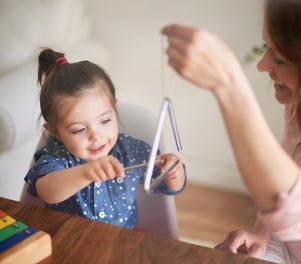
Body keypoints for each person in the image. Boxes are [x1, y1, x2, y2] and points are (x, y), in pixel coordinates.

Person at [162, 0, 301, 263]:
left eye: (280, 58)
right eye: (266, 48)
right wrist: (263, 233)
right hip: (289, 246)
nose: (262, 65)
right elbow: (285, 180)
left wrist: (228, 82)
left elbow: (296, 214)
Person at [24, 48, 186, 229]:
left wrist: (173, 172)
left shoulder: (132, 151)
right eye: (79, 130)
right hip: (67, 243)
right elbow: (47, 191)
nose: (96, 135)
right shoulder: (55, 157)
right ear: (54, 131)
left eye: (105, 120)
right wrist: (86, 173)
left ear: (115, 110)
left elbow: (168, 186)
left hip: (119, 244)